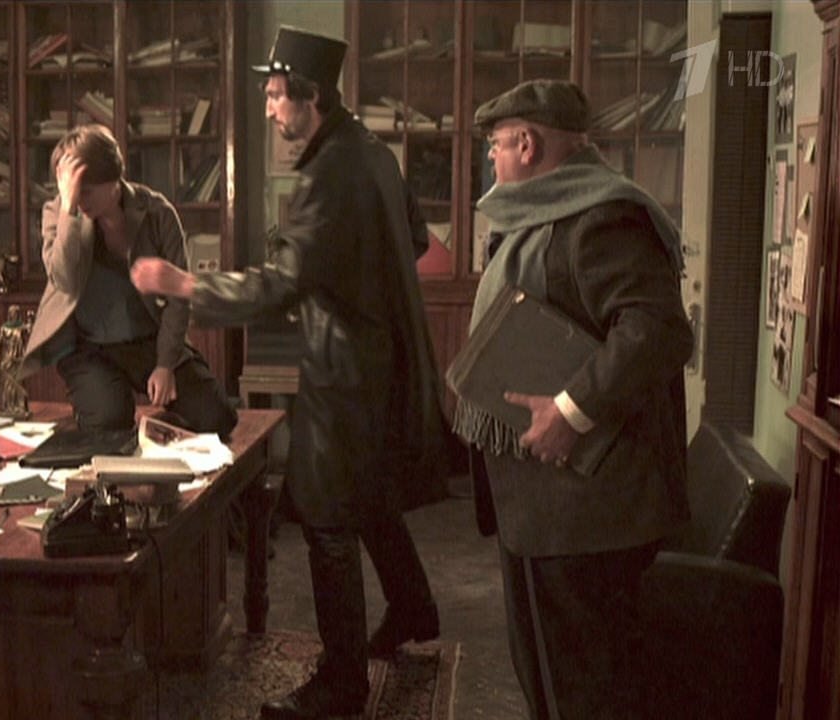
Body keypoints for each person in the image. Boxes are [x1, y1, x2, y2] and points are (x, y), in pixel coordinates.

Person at [131, 26, 453, 720]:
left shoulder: (328, 172)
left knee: (327, 518)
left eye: (278, 95)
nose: (271, 108)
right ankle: (413, 606)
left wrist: (185, 284)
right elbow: (415, 237)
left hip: (347, 371)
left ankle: (341, 682)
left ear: (312, 97)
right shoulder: (372, 152)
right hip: (384, 357)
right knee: (370, 497)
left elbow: (279, 284)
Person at [457, 79, 693, 719]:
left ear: (527, 144)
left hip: (585, 515)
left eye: (496, 145)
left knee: (580, 694)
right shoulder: (546, 214)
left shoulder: (601, 216)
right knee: (550, 682)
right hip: (550, 508)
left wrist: (570, 410)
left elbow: (658, 329)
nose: (492, 159)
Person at [19, 124, 236, 438]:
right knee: (109, 423)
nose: (78, 198)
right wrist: (69, 210)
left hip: (148, 339)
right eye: (70, 189)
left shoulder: (158, 212)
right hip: (89, 346)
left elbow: (178, 297)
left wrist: (165, 365)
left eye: (85, 190)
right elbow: (64, 279)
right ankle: (104, 406)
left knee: (217, 416)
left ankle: (157, 427)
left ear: (113, 181)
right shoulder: (61, 212)